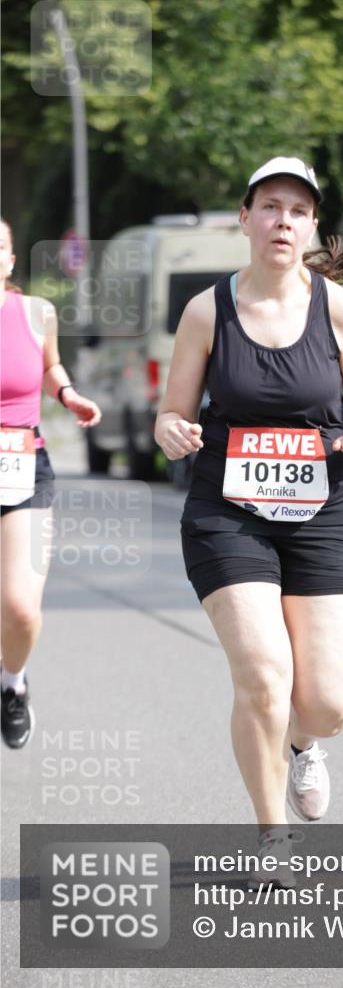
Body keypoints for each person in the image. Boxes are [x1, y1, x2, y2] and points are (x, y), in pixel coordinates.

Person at [155, 157, 343, 884]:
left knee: (323, 704)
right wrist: (171, 431)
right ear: (246, 218)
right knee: (262, 674)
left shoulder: (337, 308)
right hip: (228, 514)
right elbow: (172, 409)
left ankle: (302, 744)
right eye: (270, 206)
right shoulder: (207, 311)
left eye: (297, 209)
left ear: (311, 224)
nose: (283, 220)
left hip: (324, 510)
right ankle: (270, 835)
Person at [0, 218, 102, 749]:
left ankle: (12, 683)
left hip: (22, 467)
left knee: (20, 606)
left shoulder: (37, 313)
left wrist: (69, 396)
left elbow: (51, 366)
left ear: (11, 259)